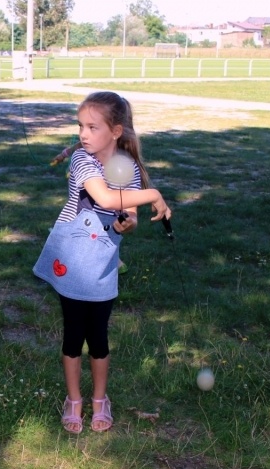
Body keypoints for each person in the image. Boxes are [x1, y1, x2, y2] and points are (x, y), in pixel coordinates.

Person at [34, 91, 171, 434]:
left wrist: (129, 223)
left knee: (98, 337)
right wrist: (155, 194)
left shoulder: (128, 169)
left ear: (116, 131)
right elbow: (107, 198)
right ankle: (74, 400)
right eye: (80, 125)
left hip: (103, 264)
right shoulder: (82, 160)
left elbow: (129, 217)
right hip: (73, 260)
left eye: (92, 127)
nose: (82, 134)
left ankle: (99, 400)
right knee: (72, 334)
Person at [51, 141, 130, 274]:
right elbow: (77, 145)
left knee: (103, 229)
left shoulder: (112, 154)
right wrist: (63, 154)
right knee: (87, 228)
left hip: (98, 200)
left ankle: (113, 261)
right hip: (83, 195)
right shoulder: (86, 148)